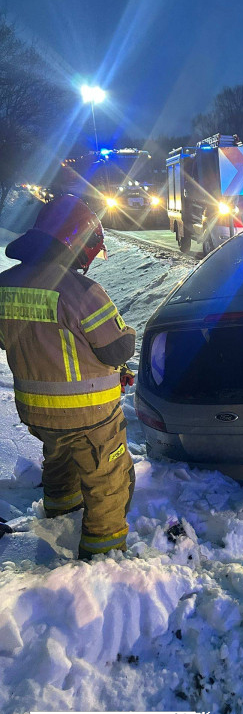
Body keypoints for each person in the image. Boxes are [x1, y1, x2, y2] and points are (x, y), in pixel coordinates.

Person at [0, 195, 136, 559]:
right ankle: (104, 557)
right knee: (108, 480)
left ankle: (60, 514)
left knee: (59, 461)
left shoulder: (4, 285)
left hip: (36, 414)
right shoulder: (83, 292)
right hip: (90, 416)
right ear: (80, 244)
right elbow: (117, 351)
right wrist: (128, 331)